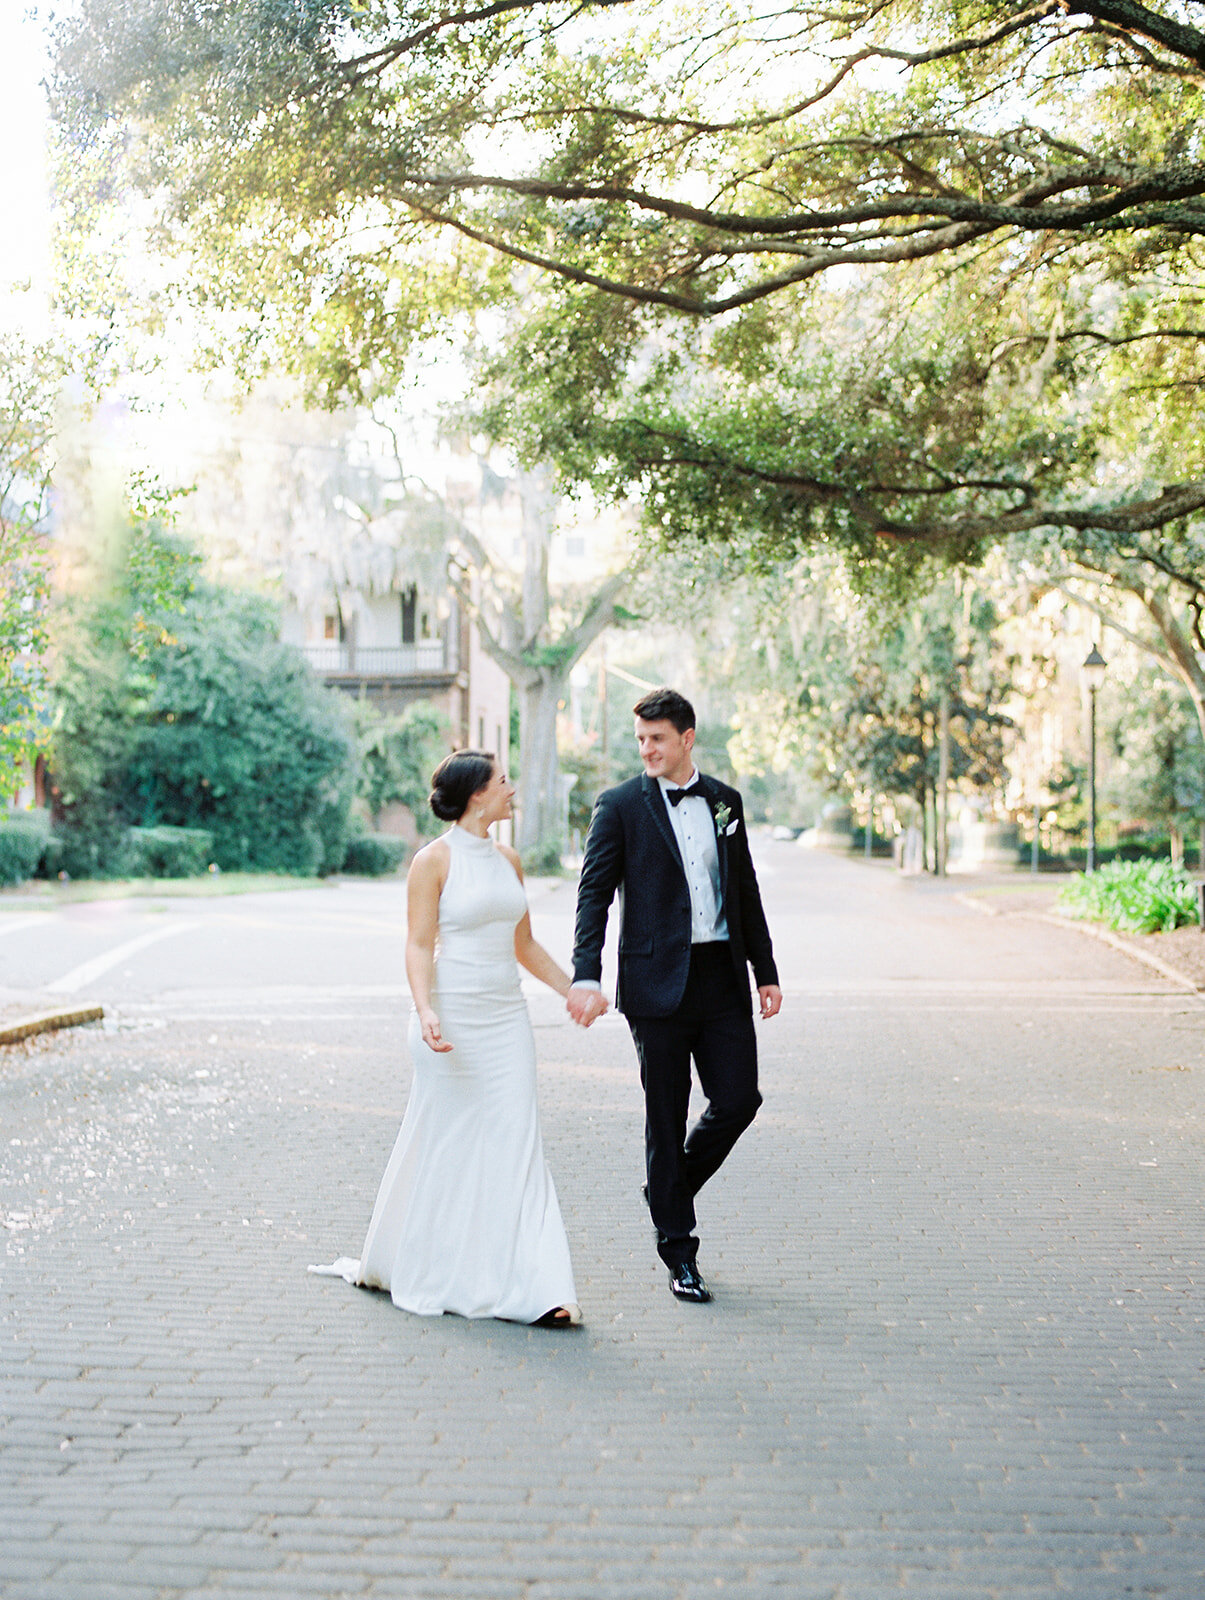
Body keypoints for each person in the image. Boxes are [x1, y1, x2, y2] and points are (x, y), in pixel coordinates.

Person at [310, 749, 594, 1327]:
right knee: (449, 1145)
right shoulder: (432, 862)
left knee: (518, 1143)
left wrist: (575, 989)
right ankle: (434, 1265)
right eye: (503, 782)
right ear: (476, 795)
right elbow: (418, 943)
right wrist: (424, 1009)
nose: (512, 790)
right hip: (452, 1018)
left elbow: (525, 945)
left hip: (506, 1021)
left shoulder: (508, 859)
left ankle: (536, 1289)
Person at [567, 688, 781, 1304]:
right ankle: (679, 1252)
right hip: (654, 985)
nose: (647, 750)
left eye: (657, 738)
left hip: (721, 978)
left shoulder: (724, 802)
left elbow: (744, 888)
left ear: (687, 738)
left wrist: (764, 970)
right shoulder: (619, 807)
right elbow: (593, 896)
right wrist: (587, 972)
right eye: (640, 739)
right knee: (665, 1117)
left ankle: (668, 1186)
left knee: (740, 1098)